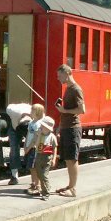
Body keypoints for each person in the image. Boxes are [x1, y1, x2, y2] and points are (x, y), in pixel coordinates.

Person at [54, 64, 85, 197]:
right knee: (68, 158)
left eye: (60, 76)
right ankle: (70, 185)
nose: (58, 78)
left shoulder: (76, 89)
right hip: (67, 127)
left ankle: (73, 189)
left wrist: (64, 111)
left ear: (67, 74)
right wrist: (60, 126)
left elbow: (82, 110)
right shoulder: (68, 89)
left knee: (72, 159)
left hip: (73, 128)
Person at [5, 102, 33, 185]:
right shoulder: (12, 111)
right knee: (14, 149)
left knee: (32, 147)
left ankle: (33, 174)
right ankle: (14, 176)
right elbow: (8, 107)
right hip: (14, 127)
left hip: (29, 127)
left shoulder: (35, 114)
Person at [33, 116, 58, 200]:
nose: (41, 128)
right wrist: (39, 135)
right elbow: (36, 145)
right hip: (39, 156)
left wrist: (54, 159)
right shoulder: (39, 135)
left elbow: (55, 148)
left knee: (44, 175)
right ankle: (46, 187)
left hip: (47, 157)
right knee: (39, 174)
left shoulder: (52, 137)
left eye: (43, 127)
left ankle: (46, 192)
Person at [24, 103, 46, 194]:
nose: (30, 112)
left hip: (34, 148)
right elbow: (28, 134)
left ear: (37, 112)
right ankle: (34, 183)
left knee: (35, 168)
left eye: (32, 111)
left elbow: (35, 138)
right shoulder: (31, 123)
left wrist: (28, 147)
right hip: (29, 147)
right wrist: (25, 145)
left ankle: (38, 186)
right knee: (31, 167)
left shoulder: (39, 124)